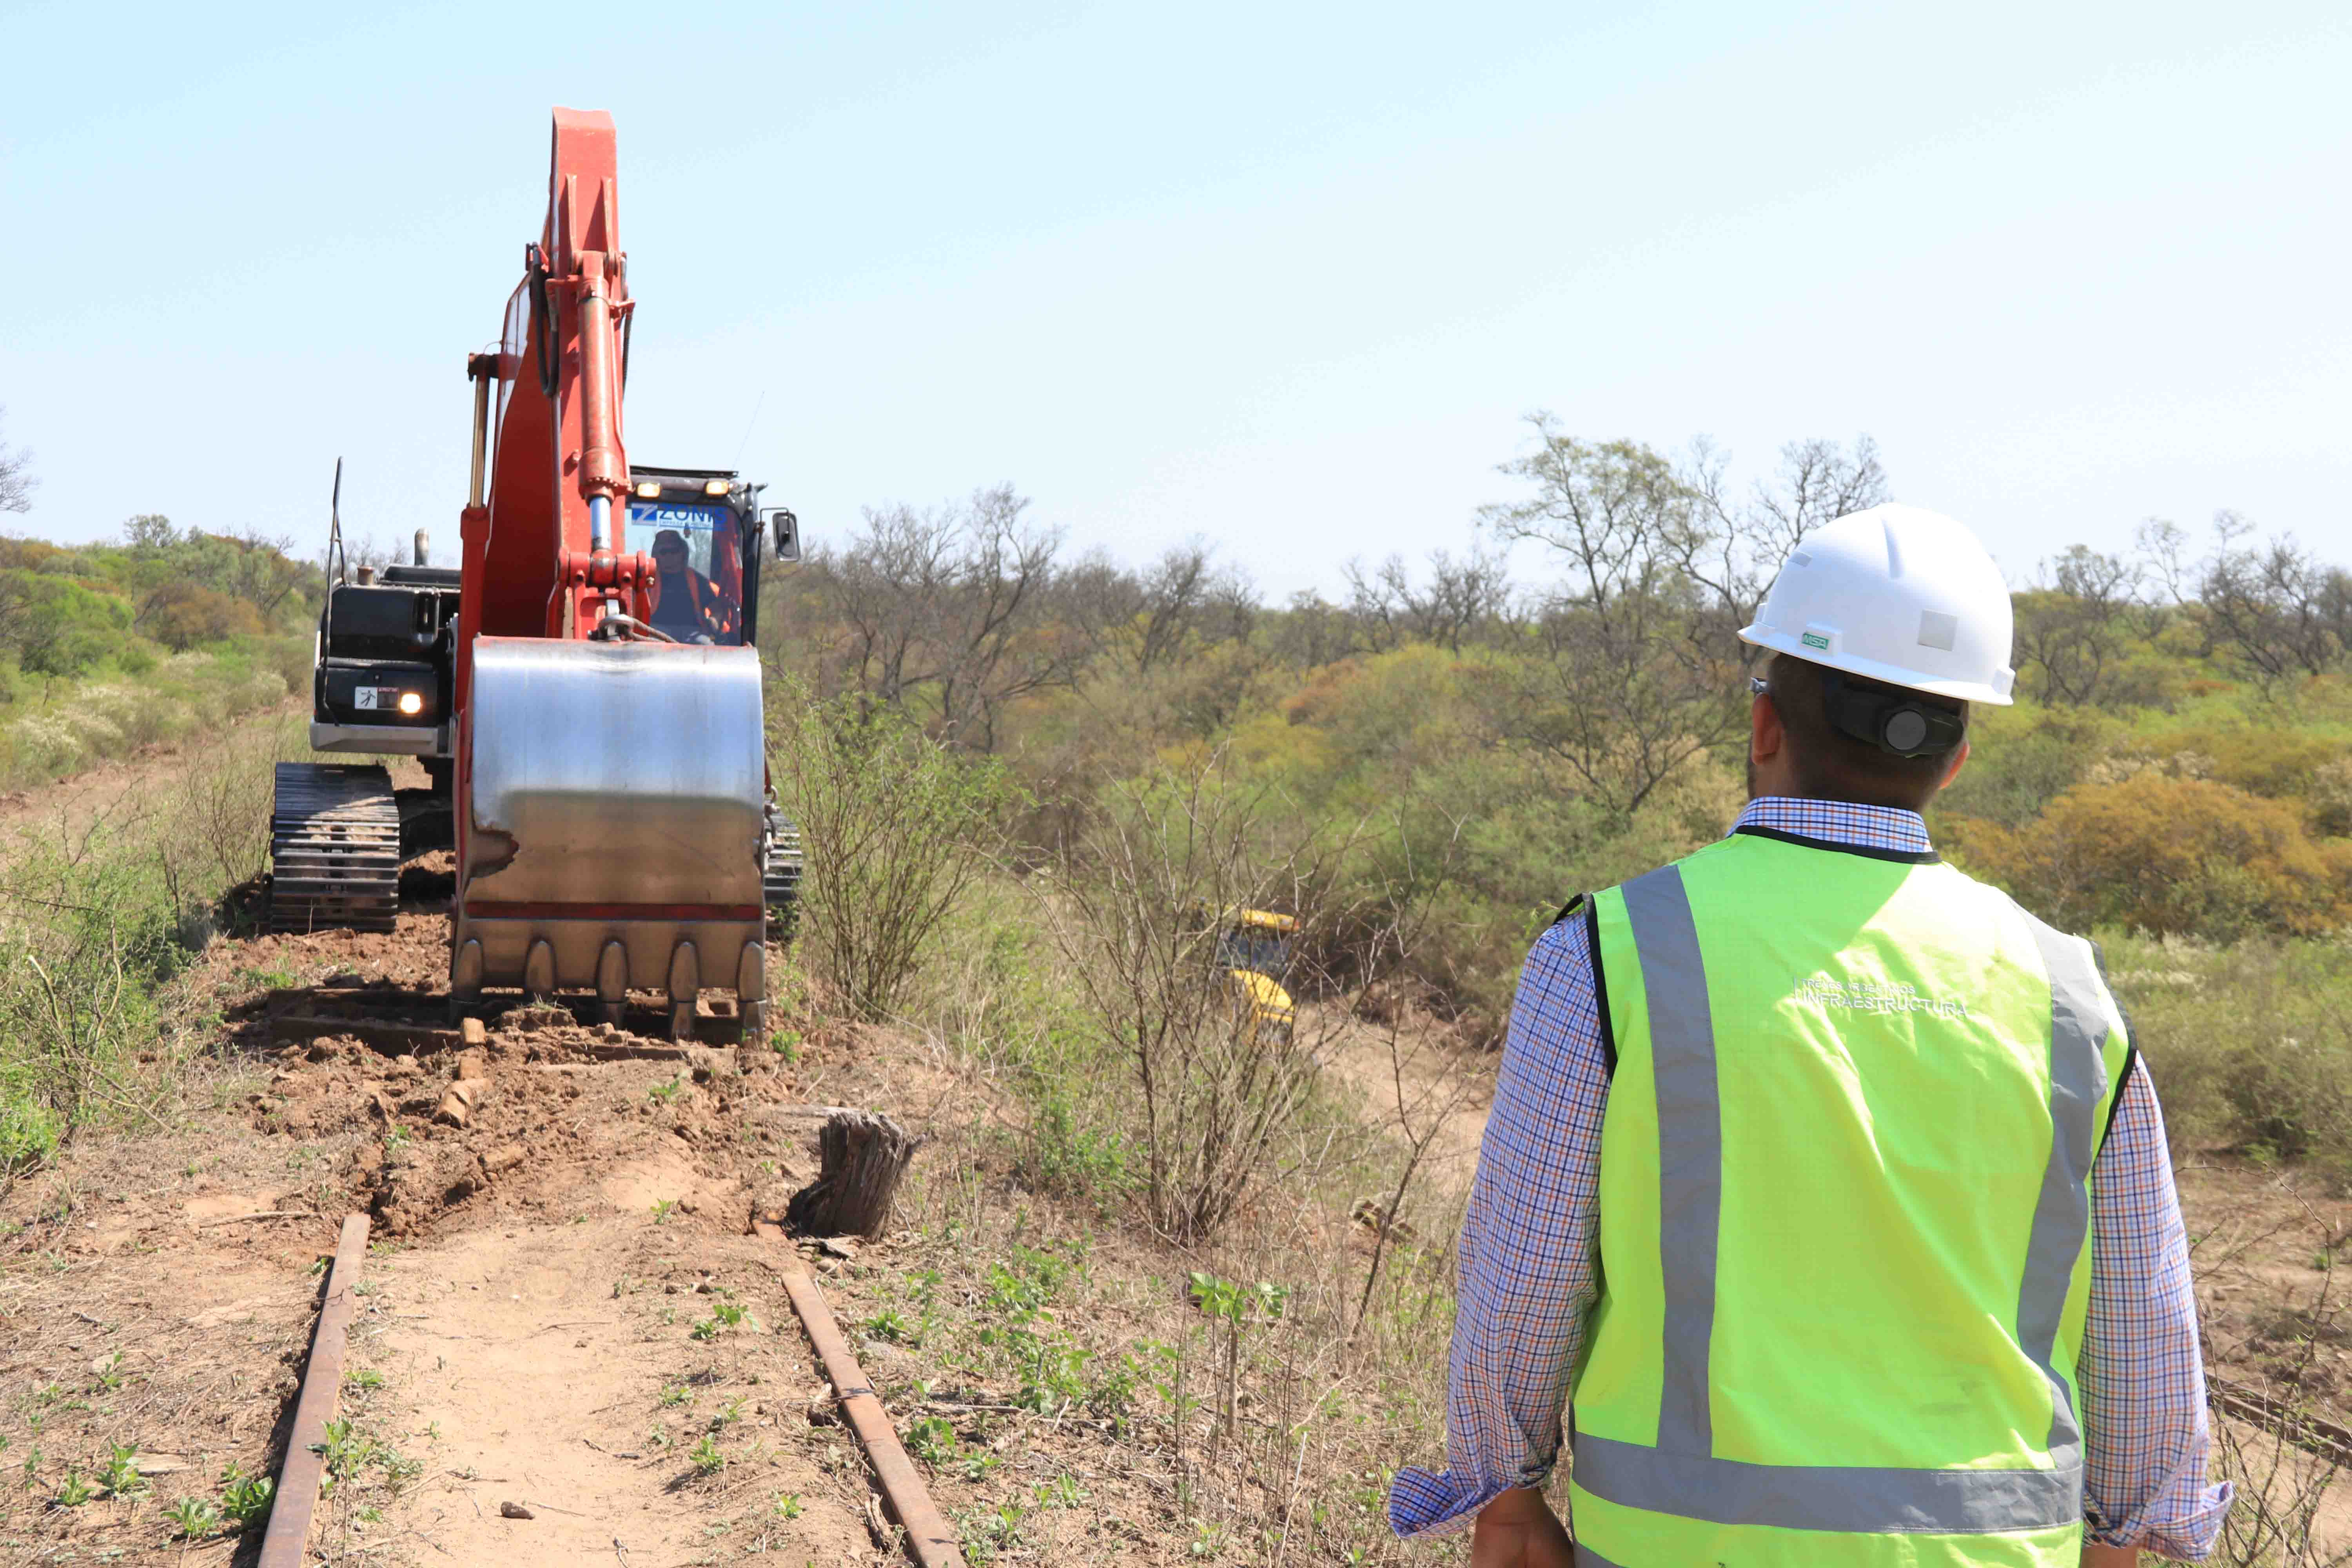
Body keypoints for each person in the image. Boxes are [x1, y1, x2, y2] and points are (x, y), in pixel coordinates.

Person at [1388, 506, 2231, 1567]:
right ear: (1958, 756)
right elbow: (2145, 1330)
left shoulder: (1610, 955)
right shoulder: (2071, 994)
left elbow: (1524, 1278)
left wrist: (1501, 1493)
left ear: (1763, 726)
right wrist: (2129, 1533)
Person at [646, 527, 735, 642]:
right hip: (656, 630)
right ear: (656, 555)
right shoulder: (647, 579)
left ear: (683, 553)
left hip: (693, 633)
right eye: (664, 552)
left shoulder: (698, 581)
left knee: (705, 645)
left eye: (674, 551)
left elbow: (717, 608)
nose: (669, 556)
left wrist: (714, 620)